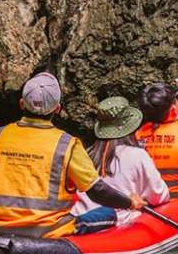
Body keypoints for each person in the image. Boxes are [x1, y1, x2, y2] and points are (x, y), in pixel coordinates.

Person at [0, 72, 146, 238]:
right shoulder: (67, 144)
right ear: (57, 109)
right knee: (108, 212)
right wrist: (129, 203)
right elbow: (97, 191)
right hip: (49, 231)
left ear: (22, 104)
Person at [71, 96, 170, 228]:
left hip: (83, 222)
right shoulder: (137, 155)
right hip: (116, 225)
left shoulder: (87, 154)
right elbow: (159, 196)